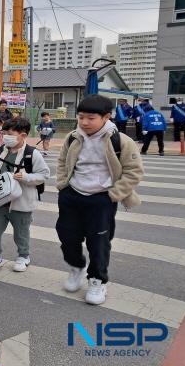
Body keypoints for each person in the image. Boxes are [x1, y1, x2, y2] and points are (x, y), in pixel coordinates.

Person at [56, 95, 143, 305]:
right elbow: (62, 162)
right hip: (72, 195)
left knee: (99, 242)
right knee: (67, 236)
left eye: (91, 118)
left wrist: (113, 195)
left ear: (106, 117)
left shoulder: (120, 140)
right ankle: (76, 267)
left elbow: (134, 171)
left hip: (101, 199)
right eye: (81, 117)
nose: (84, 122)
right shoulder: (73, 137)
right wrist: (62, 185)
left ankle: (97, 280)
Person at [0, 118, 50, 273]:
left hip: (21, 202)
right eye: (3, 134)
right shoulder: (1, 150)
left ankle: (23, 257)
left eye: (9, 134)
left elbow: (44, 175)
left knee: (21, 232)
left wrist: (26, 177)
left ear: (23, 135)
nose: (5, 137)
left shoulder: (32, 154)